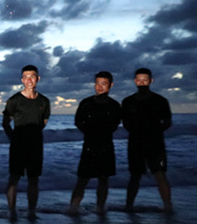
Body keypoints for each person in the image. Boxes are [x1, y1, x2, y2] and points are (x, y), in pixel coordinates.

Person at [69, 71, 121, 215]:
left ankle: (100, 208)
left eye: (103, 84)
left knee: (103, 179)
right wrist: (90, 131)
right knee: (82, 179)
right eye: (97, 83)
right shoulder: (86, 103)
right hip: (90, 144)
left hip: (106, 145)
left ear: (110, 85)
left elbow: (115, 124)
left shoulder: (114, 105)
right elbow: (78, 122)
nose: (99, 86)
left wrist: (101, 130)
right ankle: (73, 208)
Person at [3, 65, 50, 221]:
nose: (29, 80)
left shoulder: (44, 101)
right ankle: (11, 211)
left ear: (38, 78)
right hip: (18, 145)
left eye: (32, 76)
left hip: (36, 145)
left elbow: (44, 122)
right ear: (22, 80)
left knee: (34, 179)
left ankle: (32, 212)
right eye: (26, 77)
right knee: (14, 178)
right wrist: (14, 138)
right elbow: (5, 123)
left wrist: (33, 134)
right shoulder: (14, 100)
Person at [122, 68, 173, 213]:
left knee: (160, 173)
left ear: (150, 81)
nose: (142, 82)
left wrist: (155, 131)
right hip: (136, 143)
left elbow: (167, 121)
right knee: (135, 175)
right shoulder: (128, 102)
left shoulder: (160, 101)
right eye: (139, 80)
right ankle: (129, 206)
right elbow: (125, 122)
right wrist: (136, 131)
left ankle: (168, 206)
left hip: (155, 143)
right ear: (135, 81)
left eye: (145, 80)